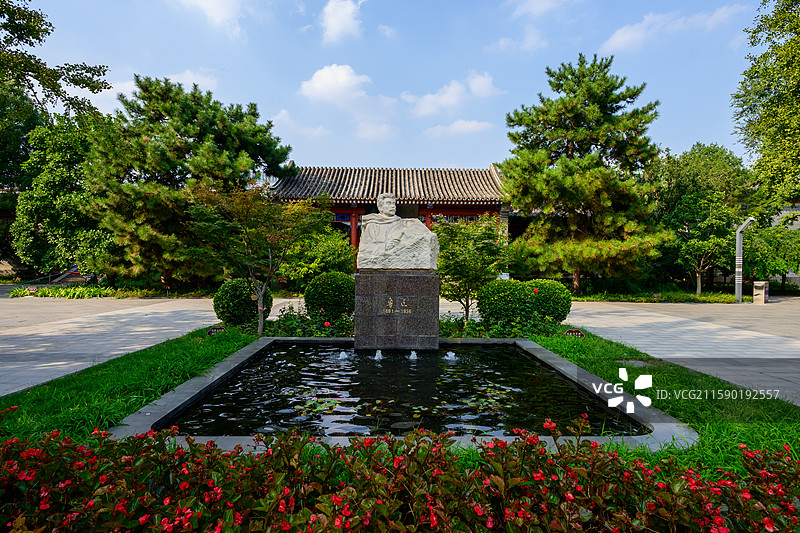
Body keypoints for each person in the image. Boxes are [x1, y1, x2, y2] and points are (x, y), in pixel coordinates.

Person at [356, 193, 439, 270]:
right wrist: (386, 246)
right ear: (380, 207)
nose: (392, 206)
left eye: (393, 203)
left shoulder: (401, 223)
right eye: (388, 203)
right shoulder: (372, 224)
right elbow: (365, 249)